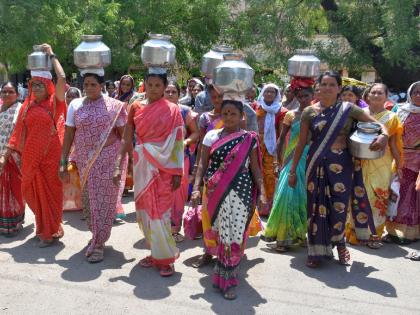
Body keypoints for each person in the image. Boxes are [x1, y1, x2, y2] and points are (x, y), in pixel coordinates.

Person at [288, 71, 388, 267]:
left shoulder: (348, 109)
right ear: (317, 87)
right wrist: (292, 171)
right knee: (315, 207)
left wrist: (383, 136)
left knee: (339, 207)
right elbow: (301, 144)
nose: (327, 88)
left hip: (343, 164)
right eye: (323, 84)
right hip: (316, 163)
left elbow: (378, 126)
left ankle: (340, 243)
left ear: (339, 88)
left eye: (331, 84)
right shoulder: (309, 112)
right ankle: (316, 250)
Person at [191, 99, 265, 300]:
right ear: (220, 116)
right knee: (223, 235)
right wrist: (196, 188)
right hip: (216, 193)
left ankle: (228, 277)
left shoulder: (250, 138)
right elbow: (201, 165)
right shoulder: (212, 136)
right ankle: (224, 274)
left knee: (235, 236)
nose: (229, 117)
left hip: (241, 192)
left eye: (234, 114)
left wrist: (264, 192)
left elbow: (256, 169)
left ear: (242, 116)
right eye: (226, 114)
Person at [114, 70, 184, 277]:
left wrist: (178, 171)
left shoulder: (173, 110)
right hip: (142, 163)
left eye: (158, 85)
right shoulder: (135, 107)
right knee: (145, 210)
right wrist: (120, 163)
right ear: (145, 84)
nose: (154, 89)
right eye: (150, 84)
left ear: (164, 88)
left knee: (161, 212)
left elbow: (177, 142)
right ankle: (156, 253)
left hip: (165, 168)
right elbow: (127, 137)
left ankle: (166, 259)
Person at [59, 69, 128, 263]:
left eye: (93, 84)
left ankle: (98, 243)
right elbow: (69, 135)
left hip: (108, 159)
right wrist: (63, 161)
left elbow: (124, 136)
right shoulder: (76, 105)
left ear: (102, 86)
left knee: (103, 202)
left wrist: (120, 164)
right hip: (84, 161)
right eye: (86, 84)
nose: (89, 88)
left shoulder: (114, 106)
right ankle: (96, 235)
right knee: (89, 202)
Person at [6, 44, 66, 247]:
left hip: (51, 156)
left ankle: (48, 232)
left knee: (51, 193)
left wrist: (51, 55)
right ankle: (44, 226)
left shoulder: (55, 103)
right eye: (34, 85)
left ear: (48, 86)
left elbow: (63, 78)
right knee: (31, 191)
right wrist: (13, 153)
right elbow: (19, 133)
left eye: (40, 85)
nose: (36, 88)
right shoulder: (27, 106)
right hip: (30, 157)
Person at [345, 83, 403, 246]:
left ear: (386, 97)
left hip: (381, 164)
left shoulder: (392, 118)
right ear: (367, 96)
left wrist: (399, 166)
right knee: (355, 196)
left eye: (380, 93)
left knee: (377, 197)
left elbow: (394, 145)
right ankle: (353, 233)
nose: (376, 95)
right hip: (357, 162)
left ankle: (374, 236)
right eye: (373, 92)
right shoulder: (359, 114)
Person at [261, 87, 313, 251]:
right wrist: (277, 162)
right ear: (296, 97)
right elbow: (281, 139)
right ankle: (282, 237)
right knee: (285, 195)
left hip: (309, 159)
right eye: (300, 96)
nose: (303, 99)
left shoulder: (317, 115)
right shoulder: (290, 115)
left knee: (304, 198)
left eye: (306, 95)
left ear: (312, 96)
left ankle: (300, 234)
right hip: (291, 158)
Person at [385, 81, 420, 249]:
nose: (418, 95)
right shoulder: (399, 110)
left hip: (418, 160)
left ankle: (410, 233)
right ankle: (391, 230)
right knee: (395, 191)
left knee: (412, 195)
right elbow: (390, 132)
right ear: (410, 94)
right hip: (398, 156)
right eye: (416, 92)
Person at [164, 80, 199, 242]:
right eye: (167, 91)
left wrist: (184, 143)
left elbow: (195, 134)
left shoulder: (185, 112)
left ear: (179, 94)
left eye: (173, 92)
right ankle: (160, 228)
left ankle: (174, 229)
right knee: (161, 193)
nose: (170, 94)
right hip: (158, 159)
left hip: (180, 158)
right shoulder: (155, 110)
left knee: (178, 194)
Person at [256, 83, 288, 216]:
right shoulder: (256, 107)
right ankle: (257, 206)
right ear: (262, 92)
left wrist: (279, 153)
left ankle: (269, 208)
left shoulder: (281, 111)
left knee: (270, 175)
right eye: (267, 91)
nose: (269, 94)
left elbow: (281, 133)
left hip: (272, 146)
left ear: (276, 95)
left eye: (272, 92)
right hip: (257, 144)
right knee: (256, 173)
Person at [0, 82, 24, 235]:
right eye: (4, 92)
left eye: (10, 92)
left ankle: (15, 221)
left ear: (17, 94)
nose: (7, 95)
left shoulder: (20, 110)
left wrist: (5, 155)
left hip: (13, 156)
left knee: (14, 189)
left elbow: (18, 134)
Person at [62, 87, 83, 212]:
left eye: (73, 96)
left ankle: (80, 202)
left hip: (78, 148)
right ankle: (69, 203)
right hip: (64, 148)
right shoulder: (61, 111)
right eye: (68, 96)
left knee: (78, 175)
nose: (70, 99)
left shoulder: (81, 111)